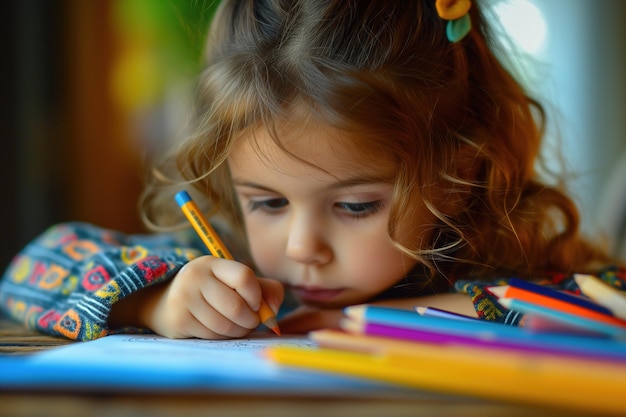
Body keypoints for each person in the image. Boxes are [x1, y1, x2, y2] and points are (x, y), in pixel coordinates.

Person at [1, 0, 623, 341]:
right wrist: (155, 305)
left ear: (456, 174)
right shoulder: (227, 259)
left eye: (355, 206)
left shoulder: (497, 254)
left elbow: (609, 303)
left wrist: (363, 320)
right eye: (268, 202)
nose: (302, 249)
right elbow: (30, 270)